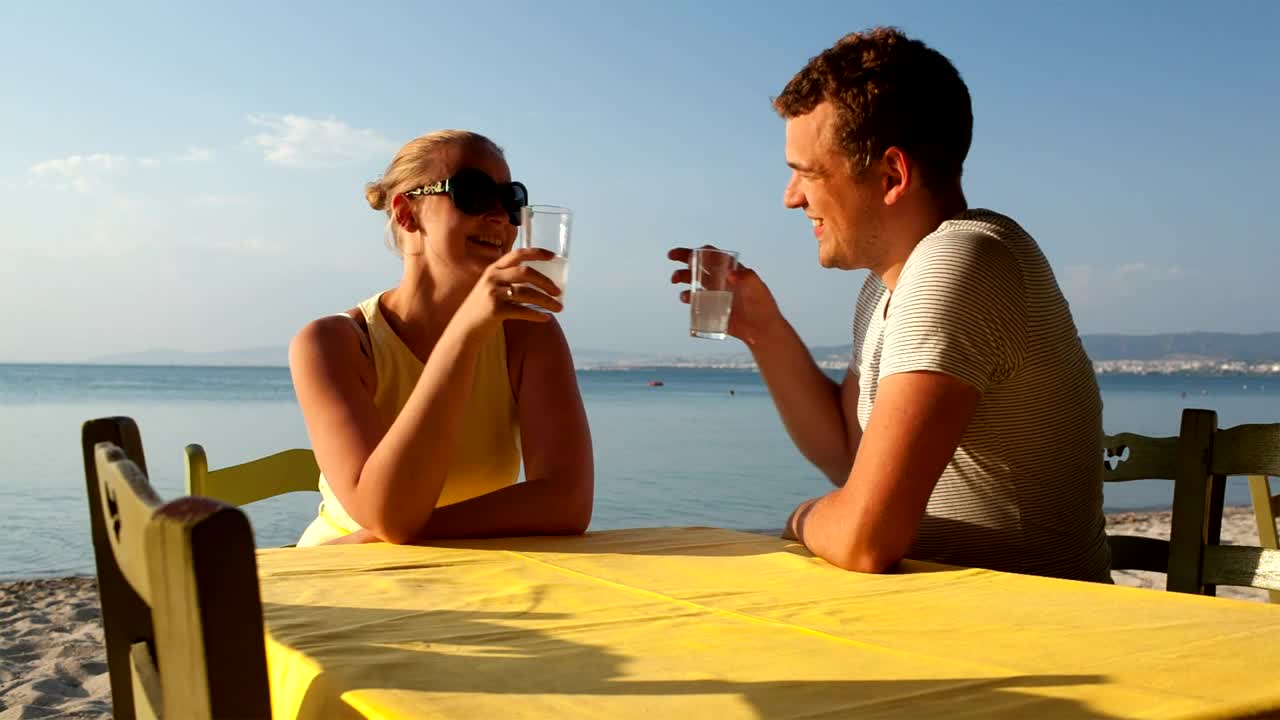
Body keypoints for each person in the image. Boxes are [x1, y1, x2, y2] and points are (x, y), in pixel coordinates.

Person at [670, 28, 1110, 582]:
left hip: (1045, 628)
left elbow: (865, 537)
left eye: (807, 172)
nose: (790, 197)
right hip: (950, 616)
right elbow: (849, 458)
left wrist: (799, 517)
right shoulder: (884, 289)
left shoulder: (960, 262)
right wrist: (765, 331)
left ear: (892, 176)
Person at [290, 130, 593, 546]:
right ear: (406, 214)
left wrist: (395, 532)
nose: (501, 217)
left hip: (473, 570)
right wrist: (466, 333)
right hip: (348, 583)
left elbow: (568, 502)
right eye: (473, 194)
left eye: (511, 200)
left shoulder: (528, 334)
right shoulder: (333, 343)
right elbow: (387, 510)